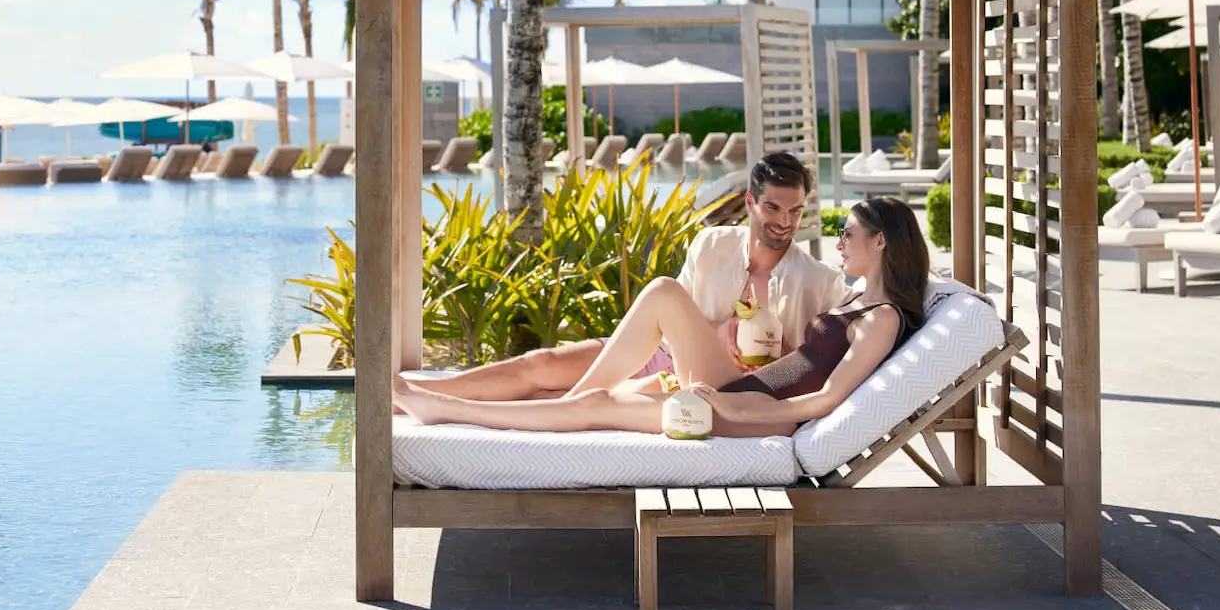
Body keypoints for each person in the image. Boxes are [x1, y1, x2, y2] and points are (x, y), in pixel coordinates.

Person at [392, 195, 929, 438]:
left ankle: (442, 408)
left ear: (880, 242)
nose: (838, 241)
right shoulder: (856, 299)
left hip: (756, 412)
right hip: (745, 388)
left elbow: (826, 399)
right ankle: (445, 403)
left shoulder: (881, 317)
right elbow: (805, 363)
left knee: (600, 402)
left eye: (849, 234)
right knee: (659, 303)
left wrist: (733, 407)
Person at [400, 152, 848, 405]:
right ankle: (417, 391)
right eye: (773, 208)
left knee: (563, 393)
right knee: (542, 365)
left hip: (703, 384)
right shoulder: (711, 245)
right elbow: (673, 324)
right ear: (750, 203)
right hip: (660, 353)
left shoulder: (819, 280)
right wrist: (719, 329)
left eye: (795, 210)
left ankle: (476, 407)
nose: (785, 222)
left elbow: (839, 335)